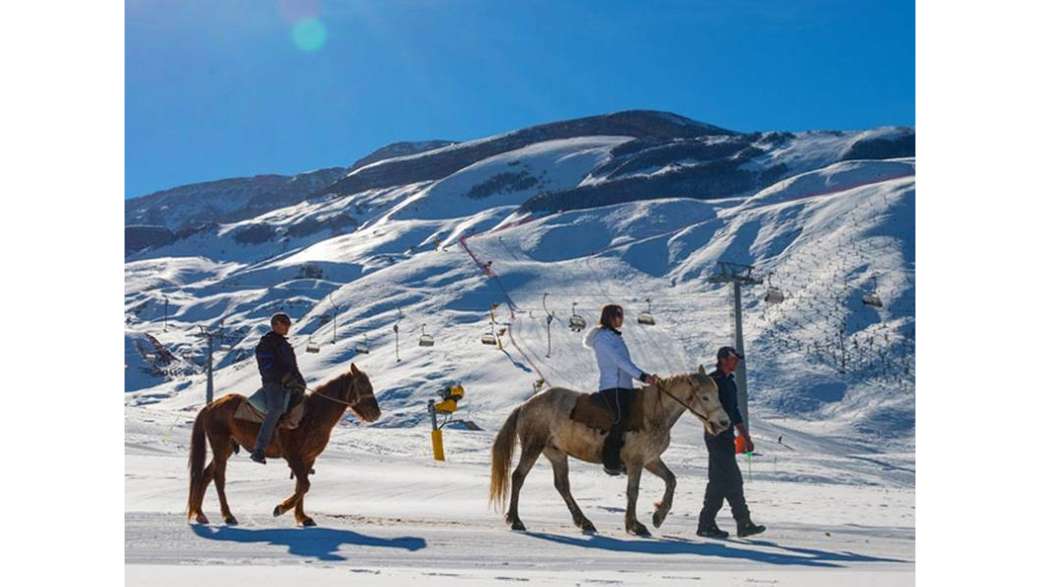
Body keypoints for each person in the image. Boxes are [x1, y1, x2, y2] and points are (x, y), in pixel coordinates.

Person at [696, 346, 766, 538]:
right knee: (733, 479)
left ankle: (707, 524)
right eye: (733, 359)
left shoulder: (730, 383)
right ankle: (742, 523)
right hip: (715, 436)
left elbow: (735, 412)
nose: (736, 362)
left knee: (719, 482)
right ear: (722, 360)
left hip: (727, 438)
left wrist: (745, 436)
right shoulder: (713, 382)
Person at [582, 304, 659, 476]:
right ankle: (610, 462)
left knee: (634, 421)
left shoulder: (615, 337)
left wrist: (641, 377)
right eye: (618, 315)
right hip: (613, 387)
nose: (621, 319)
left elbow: (625, 364)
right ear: (609, 317)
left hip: (624, 387)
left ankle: (627, 455)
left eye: (621, 315)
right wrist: (642, 376)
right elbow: (620, 362)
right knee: (619, 420)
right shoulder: (603, 339)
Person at [250, 313, 306, 464]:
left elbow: (293, 367)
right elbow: (266, 365)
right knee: (276, 409)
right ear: (276, 325)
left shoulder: (285, 345)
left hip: (289, 384)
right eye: (285, 324)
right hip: (273, 383)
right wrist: (283, 377)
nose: (288, 327)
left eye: (288, 324)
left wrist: (300, 382)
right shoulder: (266, 344)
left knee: (301, 409)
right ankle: (259, 449)